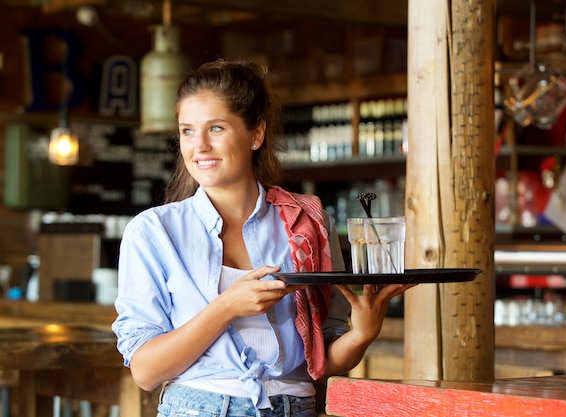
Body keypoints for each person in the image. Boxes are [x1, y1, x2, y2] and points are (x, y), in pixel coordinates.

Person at [112, 59, 415, 417]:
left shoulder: (307, 223)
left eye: (217, 128)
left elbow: (324, 363)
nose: (200, 146)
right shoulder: (153, 232)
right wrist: (227, 307)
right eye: (188, 131)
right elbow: (146, 372)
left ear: (256, 135)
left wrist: (362, 333)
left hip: (296, 408)